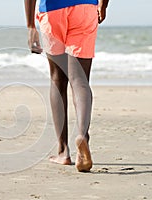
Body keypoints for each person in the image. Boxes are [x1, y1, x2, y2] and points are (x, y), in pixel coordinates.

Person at [24, 0, 109, 172]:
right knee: (80, 80)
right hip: (84, 9)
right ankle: (82, 135)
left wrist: (30, 25)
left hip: (52, 11)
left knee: (57, 79)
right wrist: (103, 4)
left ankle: (63, 151)